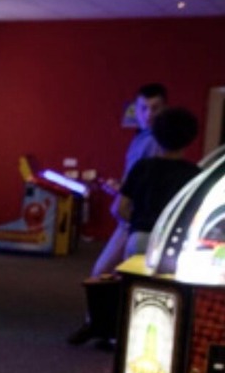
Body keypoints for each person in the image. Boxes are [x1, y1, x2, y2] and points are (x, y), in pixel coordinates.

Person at [69, 83, 167, 345]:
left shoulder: (156, 141)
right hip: (128, 217)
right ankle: (102, 327)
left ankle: (106, 330)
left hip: (137, 221)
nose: (149, 113)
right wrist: (120, 189)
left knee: (107, 272)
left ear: (164, 109)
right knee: (107, 273)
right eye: (144, 108)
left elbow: (147, 185)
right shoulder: (141, 137)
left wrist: (123, 194)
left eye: (155, 108)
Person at [113, 106, 200, 259]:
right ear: (190, 137)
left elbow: (121, 208)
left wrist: (137, 223)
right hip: (173, 241)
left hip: (139, 236)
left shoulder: (142, 166)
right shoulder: (194, 174)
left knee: (131, 280)